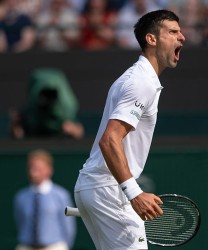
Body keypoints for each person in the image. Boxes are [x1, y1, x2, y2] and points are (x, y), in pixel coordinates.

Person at [74, 9, 185, 249]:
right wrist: (133, 192)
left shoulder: (139, 78)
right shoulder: (140, 81)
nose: (182, 37)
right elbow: (109, 139)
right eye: (173, 31)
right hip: (109, 191)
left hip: (98, 187)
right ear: (151, 39)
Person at [14, 149, 76, 250]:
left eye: (38, 168)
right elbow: (20, 222)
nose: (33, 172)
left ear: (49, 170)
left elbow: (69, 227)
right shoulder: (21, 197)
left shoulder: (61, 195)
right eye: (31, 168)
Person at [9, 68, 84, 139]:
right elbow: (18, 135)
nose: (47, 98)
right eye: (44, 94)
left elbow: (79, 131)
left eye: (50, 94)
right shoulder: (29, 113)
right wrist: (15, 126)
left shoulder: (65, 114)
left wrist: (72, 130)